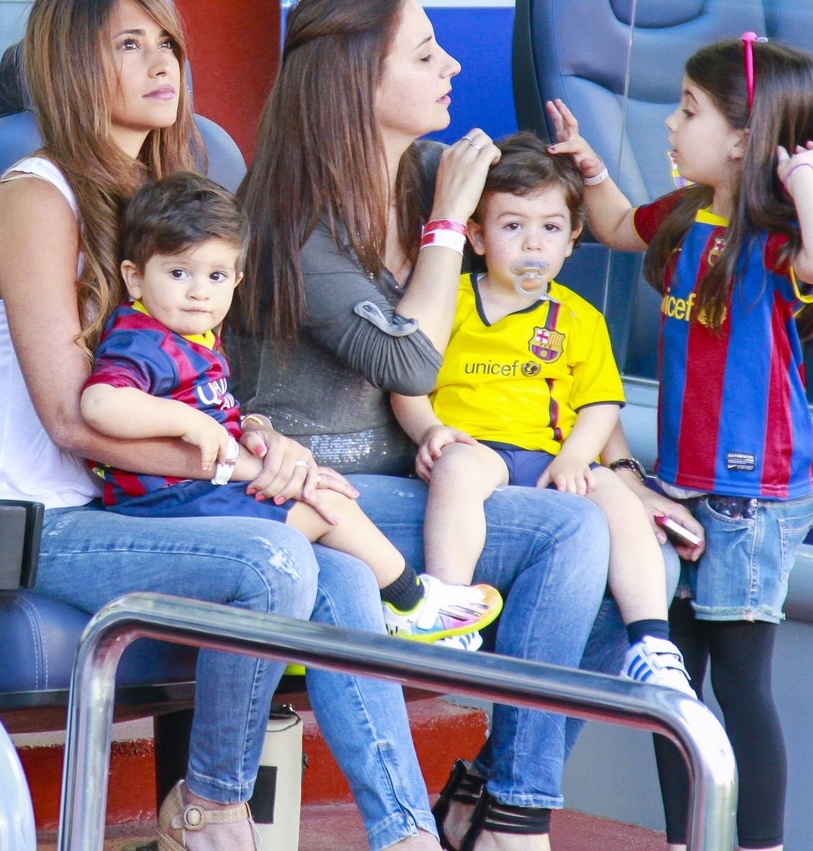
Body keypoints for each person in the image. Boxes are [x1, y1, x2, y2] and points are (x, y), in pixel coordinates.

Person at [0, 0, 448, 851]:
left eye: (166, 41)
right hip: (40, 521)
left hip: (138, 502)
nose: (160, 62)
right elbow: (73, 419)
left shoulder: (162, 194)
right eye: (127, 46)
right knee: (276, 555)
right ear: (69, 70)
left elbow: (188, 385)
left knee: (345, 571)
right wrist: (246, 474)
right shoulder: (35, 199)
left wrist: (261, 437)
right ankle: (211, 807)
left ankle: (405, 835)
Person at [237, 0, 671, 851]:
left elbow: (563, 332)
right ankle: (456, 825)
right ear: (359, 81)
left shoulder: (431, 172)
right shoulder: (292, 223)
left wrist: (622, 472)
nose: (453, 66)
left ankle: (504, 798)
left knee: (615, 539)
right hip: (323, 489)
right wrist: (442, 231)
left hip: (426, 483)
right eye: (425, 53)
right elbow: (407, 357)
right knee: (550, 537)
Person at [545, 34, 813, 851]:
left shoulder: (779, 235)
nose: (670, 123)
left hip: (751, 499)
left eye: (689, 109)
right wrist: (586, 163)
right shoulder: (686, 216)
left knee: (743, 687)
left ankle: (757, 843)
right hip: (677, 487)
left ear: (744, 139)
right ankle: (691, 838)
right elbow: (614, 224)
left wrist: (797, 178)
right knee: (671, 688)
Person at [80, 172, 503, 646]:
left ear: (236, 281)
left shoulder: (194, 335)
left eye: (216, 276)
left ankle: (398, 612)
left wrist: (251, 428)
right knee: (326, 507)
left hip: (199, 490)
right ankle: (412, 606)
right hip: (166, 501)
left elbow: (216, 408)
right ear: (134, 277)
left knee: (321, 489)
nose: (199, 291)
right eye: (179, 273)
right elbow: (99, 404)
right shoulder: (143, 339)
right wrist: (188, 421)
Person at [389, 133, 694, 692]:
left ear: (574, 238)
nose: (533, 244)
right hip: (475, 449)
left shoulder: (579, 318)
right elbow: (405, 382)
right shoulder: (449, 298)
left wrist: (577, 459)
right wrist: (430, 430)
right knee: (456, 469)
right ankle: (449, 608)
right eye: (512, 227)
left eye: (550, 228)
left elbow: (600, 401)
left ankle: (652, 642)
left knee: (621, 506)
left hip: (548, 456)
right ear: (476, 236)